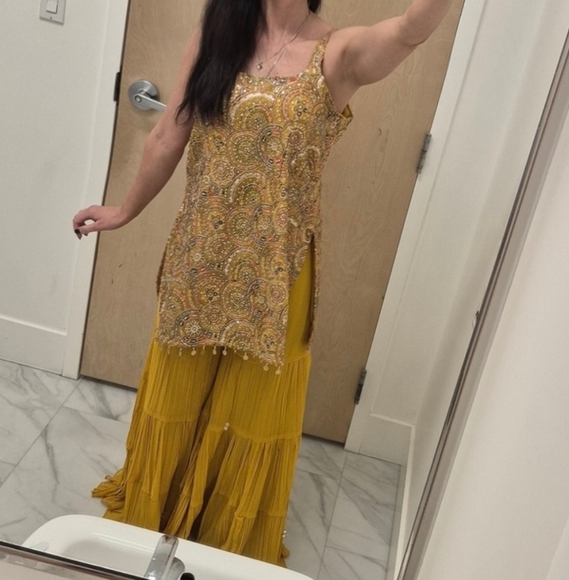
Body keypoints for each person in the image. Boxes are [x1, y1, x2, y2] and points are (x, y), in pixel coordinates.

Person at [73, 0, 453, 567]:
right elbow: (169, 134)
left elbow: (410, 29)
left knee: (252, 412)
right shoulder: (217, 32)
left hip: (278, 275)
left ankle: (224, 547)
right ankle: (157, 517)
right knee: (177, 394)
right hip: (201, 256)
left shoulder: (337, 54)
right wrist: (125, 209)